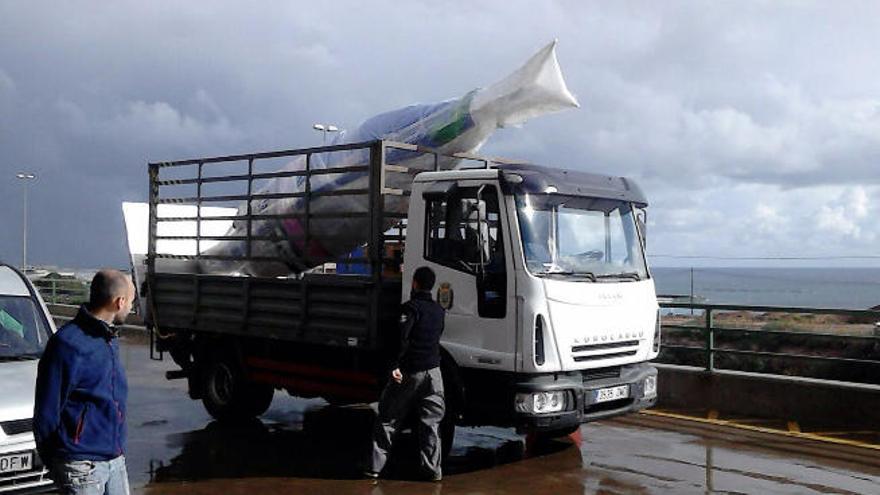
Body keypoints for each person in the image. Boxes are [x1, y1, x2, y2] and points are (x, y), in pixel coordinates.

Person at [34, 269, 133, 495]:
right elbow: (46, 413)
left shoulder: (108, 338)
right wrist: (58, 461)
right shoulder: (68, 345)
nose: (131, 308)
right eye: (131, 302)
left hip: (114, 460)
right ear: (119, 302)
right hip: (82, 468)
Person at [367, 266, 446, 482]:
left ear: (415, 283)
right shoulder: (439, 311)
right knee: (431, 424)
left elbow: (402, 339)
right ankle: (433, 471)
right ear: (432, 285)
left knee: (388, 419)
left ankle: (375, 467)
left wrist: (394, 366)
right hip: (435, 374)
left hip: (411, 372)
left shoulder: (410, 309)